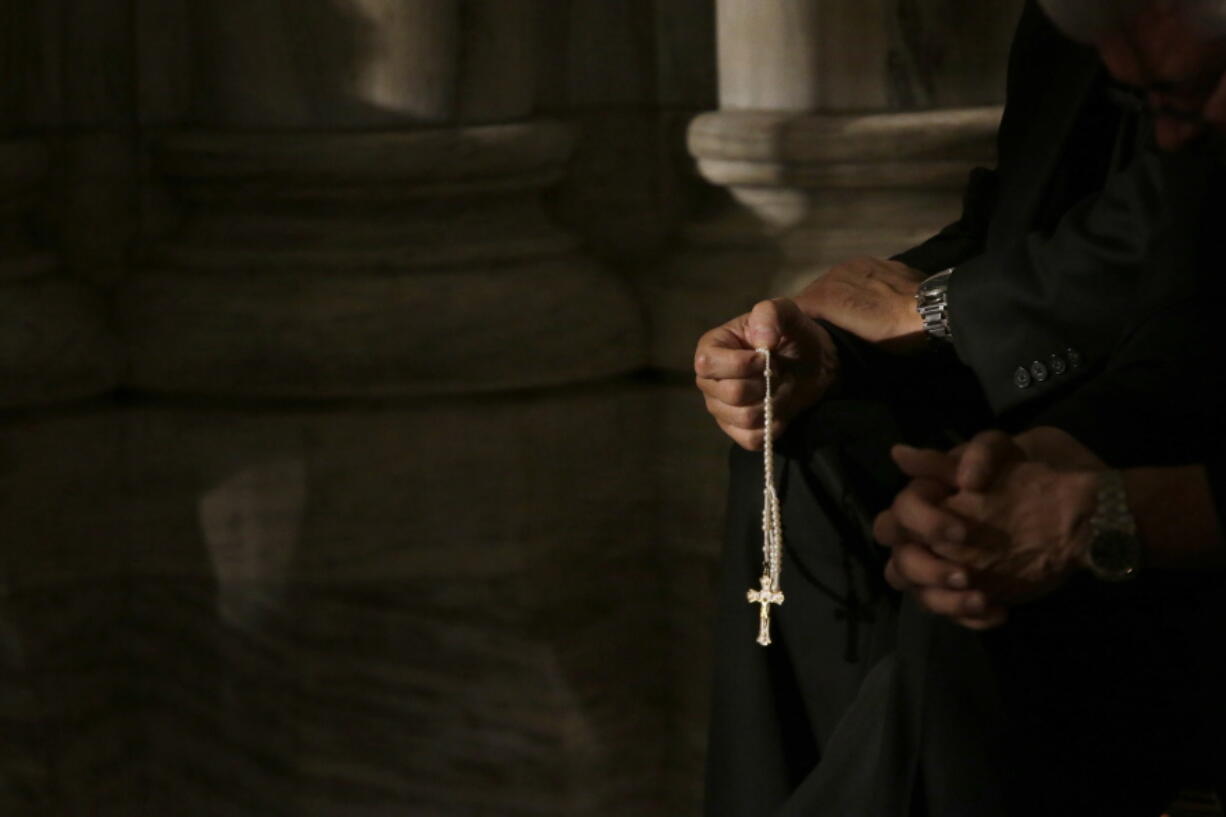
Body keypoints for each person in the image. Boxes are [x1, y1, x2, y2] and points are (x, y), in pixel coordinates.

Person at [696, 1, 1226, 814]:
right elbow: (1016, 220)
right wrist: (836, 339)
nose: (1116, 61)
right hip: (1119, 395)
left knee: (965, 577)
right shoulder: (1088, 28)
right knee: (808, 432)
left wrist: (1090, 490)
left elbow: (1172, 264)